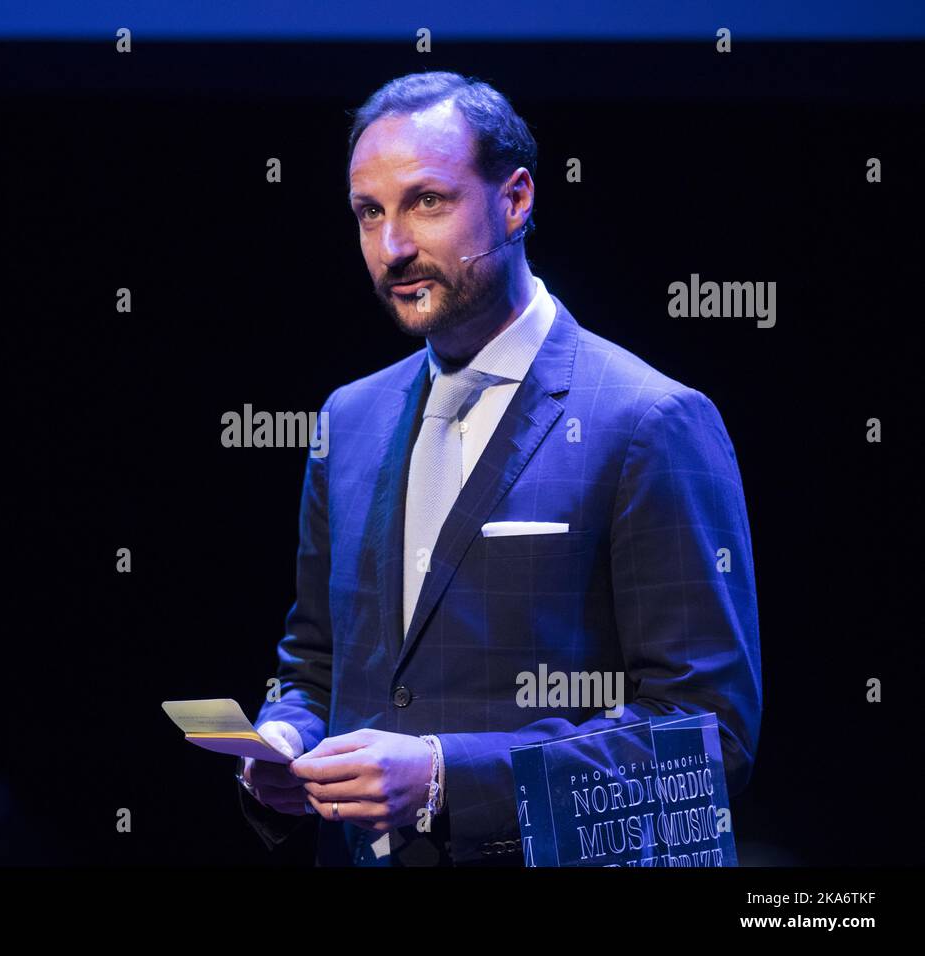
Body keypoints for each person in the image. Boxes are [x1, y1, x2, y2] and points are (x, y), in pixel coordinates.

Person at [236, 71, 762, 866]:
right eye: (369, 213)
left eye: (427, 202)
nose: (393, 246)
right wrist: (283, 739)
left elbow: (707, 738)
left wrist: (450, 778)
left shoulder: (650, 420)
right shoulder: (349, 417)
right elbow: (315, 661)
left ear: (515, 201)